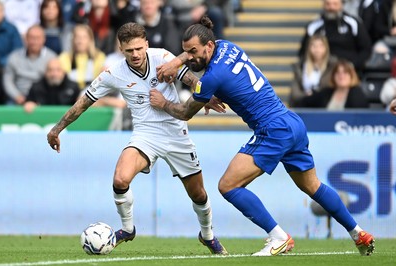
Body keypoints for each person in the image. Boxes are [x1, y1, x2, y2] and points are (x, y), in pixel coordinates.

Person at [149, 15, 375, 256]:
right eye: (186, 52)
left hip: (272, 129)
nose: (190, 57)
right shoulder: (227, 46)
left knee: (228, 186)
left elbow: (184, 112)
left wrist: (163, 103)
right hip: (291, 122)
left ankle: (279, 237)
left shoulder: (212, 77)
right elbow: (199, 55)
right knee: (313, 186)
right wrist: (179, 60)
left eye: (193, 51)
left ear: (209, 46)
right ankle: (358, 233)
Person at [46, 22, 228, 255]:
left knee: (198, 194)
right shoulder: (114, 73)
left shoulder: (162, 57)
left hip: (176, 134)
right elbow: (84, 102)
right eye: (129, 50)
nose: (135, 54)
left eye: (139, 49)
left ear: (146, 45)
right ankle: (127, 229)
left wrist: (205, 96)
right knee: (120, 179)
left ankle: (208, 236)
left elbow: (190, 79)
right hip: (145, 135)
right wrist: (57, 129)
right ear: (121, 49)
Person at [298, 0, 372, 76]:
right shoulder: (313, 26)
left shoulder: (353, 24)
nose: (331, 8)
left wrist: (352, 65)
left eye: (335, 4)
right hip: (321, 74)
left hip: (349, 73)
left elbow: (366, 49)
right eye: (328, 4)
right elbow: (303, 52)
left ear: (342, 5)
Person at [3, 25, 57, 105]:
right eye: (31, 38)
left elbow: (54, 81)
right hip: (17, 99)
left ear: (44, 39)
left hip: (43, 99)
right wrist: (17, 96)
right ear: (26, 39)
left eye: (38, 38)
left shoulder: (52, 57)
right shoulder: (14, 57)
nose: (34, 41)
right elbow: (7, 80)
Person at [294, 59, 370, 109]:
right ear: (333, 76)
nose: (341, 76)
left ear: (351, 76)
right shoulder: (326, 92)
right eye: (338, 73)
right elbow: (302, 103)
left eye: (345, 72)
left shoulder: (357, 93)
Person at [289, 34, 337, 107]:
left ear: (326, 48)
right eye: (314, 46)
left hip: (325, 104)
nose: (317, 49)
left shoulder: (333, 65)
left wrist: (315, 94)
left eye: (320, 46)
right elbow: (295, 93)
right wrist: (306, 95)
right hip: (304, 102)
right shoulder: (301, 66)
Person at [59, 24, 106, 91]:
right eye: (77, 37)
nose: (80, 41)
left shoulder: (99, 56)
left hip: (92, 91)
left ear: (90, 40)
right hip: (70, 91)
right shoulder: (64, 57)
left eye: (84, 37)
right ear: (73, 40)